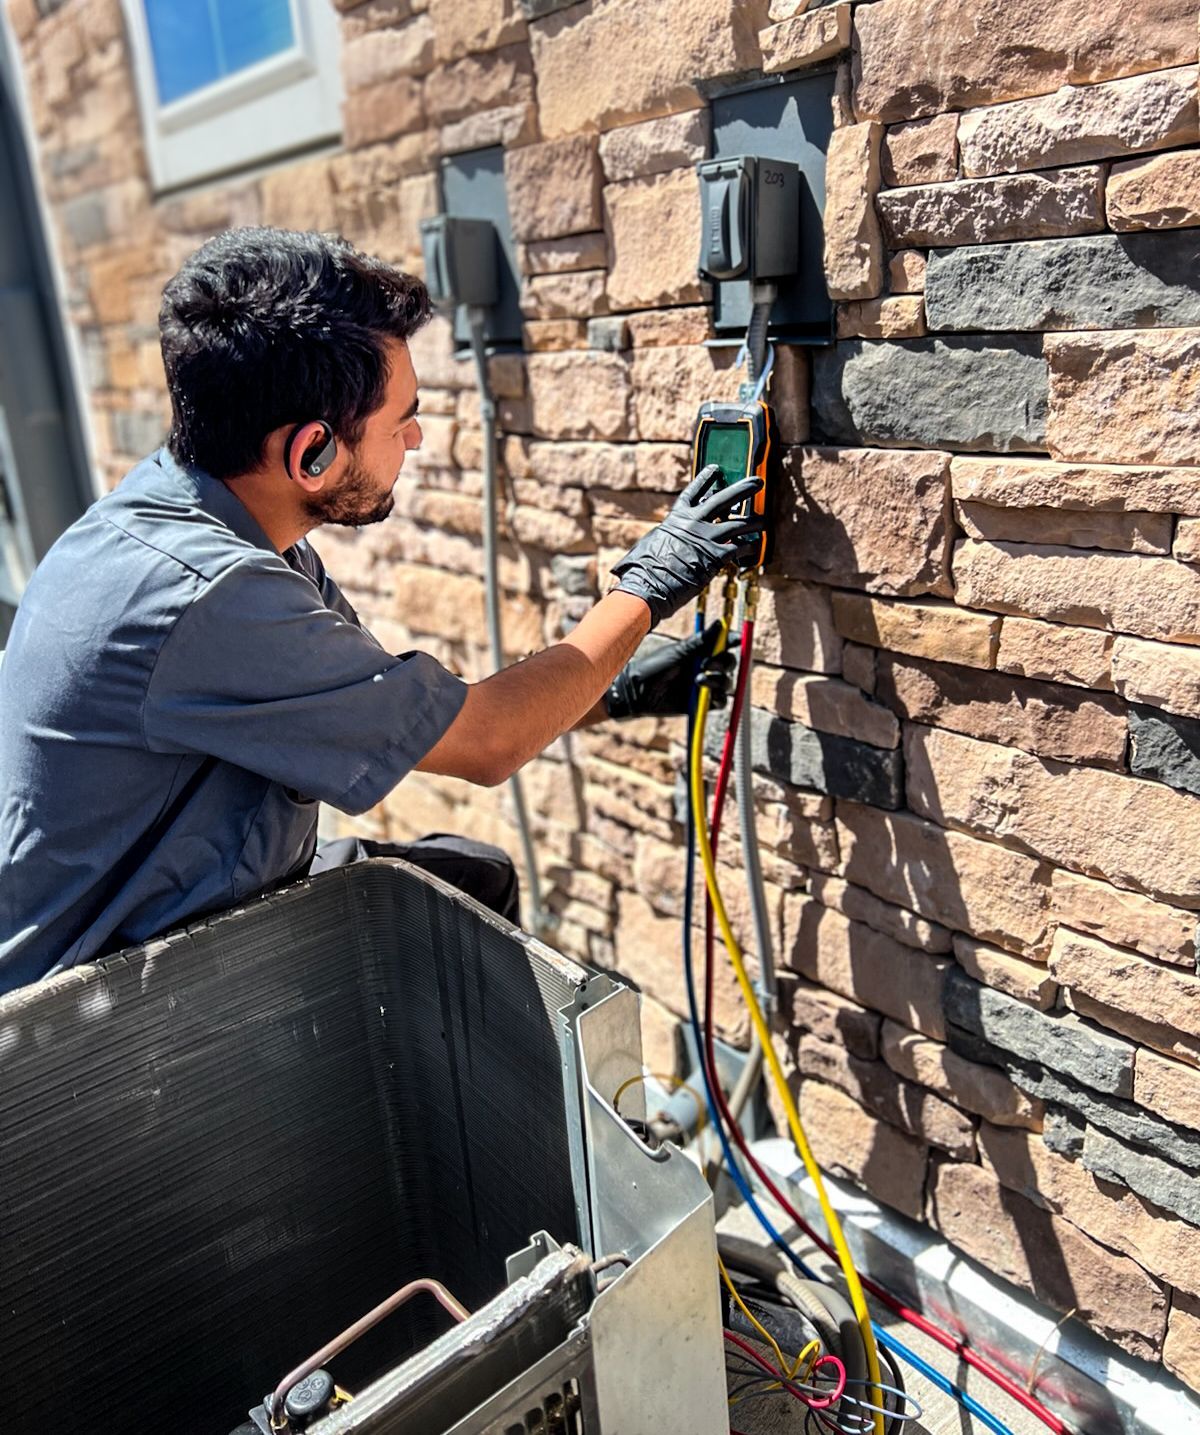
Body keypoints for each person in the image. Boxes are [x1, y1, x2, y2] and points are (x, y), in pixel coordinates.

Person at [0, 227, 763, 996]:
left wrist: (612, 689)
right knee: (446, 924)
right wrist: (657, 575)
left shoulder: (202, 517)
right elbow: (488, 741)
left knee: (472, 879)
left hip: (171, 917)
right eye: (402, 418)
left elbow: (395, 712)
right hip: (100, 1010)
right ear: (313, 454)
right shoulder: (210, 591)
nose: (418, 436)